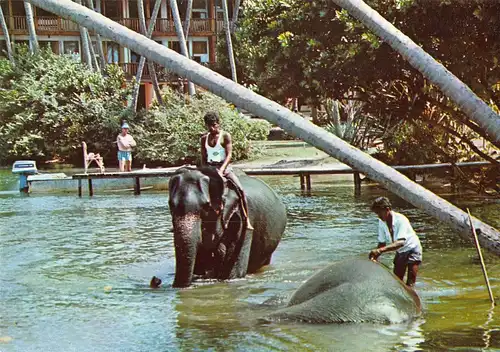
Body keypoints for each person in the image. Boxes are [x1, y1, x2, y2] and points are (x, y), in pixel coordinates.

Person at [200, 111, 254, 230]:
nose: (211, 128)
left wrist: (221, 170)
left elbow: (229, 155)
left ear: (218, 124)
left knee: (240, 189)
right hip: (210, 167)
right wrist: (205, 170)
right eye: (209, 125)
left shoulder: (225, 136)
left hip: (224, 167)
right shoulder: (204, 138)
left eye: (214, 125)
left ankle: (246, 219)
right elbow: (203, 157)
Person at [368, 197, 422, 287]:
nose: (378, 216)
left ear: (387, 209)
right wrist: (375, 256)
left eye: (379, 212)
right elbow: (382, 243)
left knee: (410, 283)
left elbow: (400, 243)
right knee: (397, 282)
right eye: (376, 213)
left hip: (412, 249)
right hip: (400, 251)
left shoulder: (401, 220)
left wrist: (379, 251)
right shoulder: (381, 222)